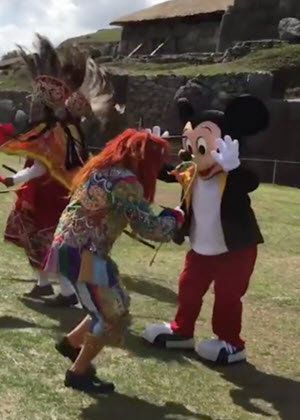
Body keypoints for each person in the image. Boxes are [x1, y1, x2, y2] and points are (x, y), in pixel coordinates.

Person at [44, 128, 184, 394]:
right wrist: (174, 217)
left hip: (71, 248)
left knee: (114, 303)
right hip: (85, 254)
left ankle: (72, 344)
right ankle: (78, 373)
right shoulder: (126, 182)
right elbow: (149, 228)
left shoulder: (100, 169)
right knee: (110, 313)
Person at [144, 95, 270, 364]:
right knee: (188, 287)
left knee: (227, 295)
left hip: (234, 248)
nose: (193, 151)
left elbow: (251, 181)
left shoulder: (230, 173)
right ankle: (182, 330)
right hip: (201, 247)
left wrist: (233, 167)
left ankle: (232, 342)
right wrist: (151, 152)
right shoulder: (190, 171)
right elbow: (165, 172)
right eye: (191, 143)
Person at [0, 35, 91, 306]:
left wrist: (13, 178)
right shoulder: (61, 129)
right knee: (36, 239)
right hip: (44, 195)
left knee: (51, 242)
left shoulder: (59, 131)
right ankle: (42, 285)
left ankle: (65, 293)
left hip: (53, 196)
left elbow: (44, 165)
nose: (36, 104)